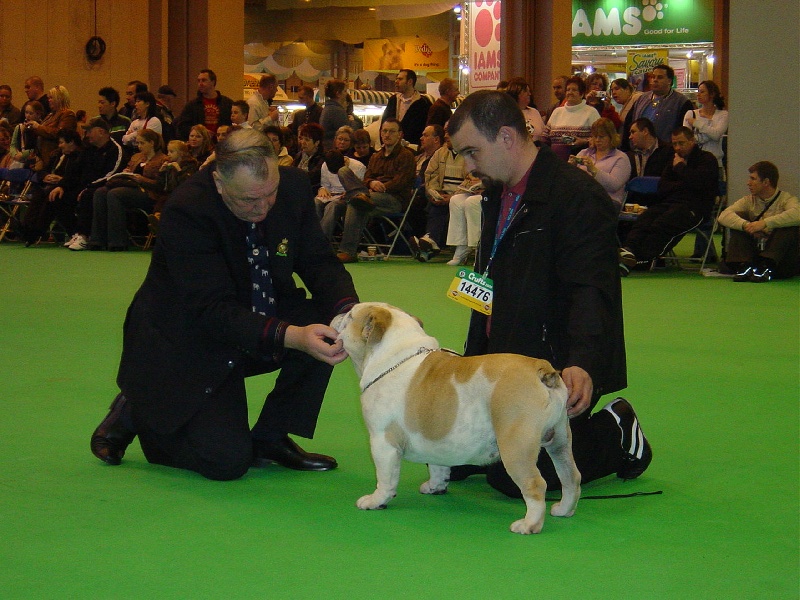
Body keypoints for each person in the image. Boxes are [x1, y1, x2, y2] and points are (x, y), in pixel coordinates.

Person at [89, 128, 359, 481]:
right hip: (187, 336)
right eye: (249, 200)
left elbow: (318, 261)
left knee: (330, 323)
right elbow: (212, 310)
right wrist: (292, 336)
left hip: (256, 311)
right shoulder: (186, 210)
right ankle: (138, 408)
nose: (263, 207)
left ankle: (271, 437)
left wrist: (352, 314)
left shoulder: (293, 186)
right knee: (226, 463)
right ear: (219, 182)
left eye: (271, 193)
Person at [446, 89, 650, 496]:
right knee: (447, 456)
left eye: (472, 152)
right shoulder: (494, 192)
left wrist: (582, 362)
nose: (468, 166)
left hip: (553, 360)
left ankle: (617, 430)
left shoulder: (578, 196)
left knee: (513, 476)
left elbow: (592, 288)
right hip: (502, 357)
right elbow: (487, 279)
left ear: (506, 137)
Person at [619, 126, 719, 274]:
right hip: (670, 203)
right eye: (674, 144)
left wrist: (680, 168)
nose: (677, 148)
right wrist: (685, 183)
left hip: (695, 208)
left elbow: (700, 184)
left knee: (663, 223)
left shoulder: (707, 159)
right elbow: (663, 187)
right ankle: (628, 251)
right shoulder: (672, 159)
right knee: (645, 218)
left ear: (692, 141)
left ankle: (642, 259)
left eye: (681, 143)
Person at [334, 118, 416, 263]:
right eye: (385, 131)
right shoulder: (375, 156)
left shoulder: (407, 155)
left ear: (400, 134)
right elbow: (366, 178)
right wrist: (371, 182)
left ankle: (347, 251)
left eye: (392, 131)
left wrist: (381, 187)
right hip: (371, 197)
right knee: (343, 172)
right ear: (380, 133)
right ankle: (360, 195)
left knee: (355, 201)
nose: (387, 134)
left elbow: (401, 182)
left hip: (394, 199)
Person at [89, 128, 169, 251]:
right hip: (130, 188)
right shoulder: (136, 157)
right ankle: (97, 239)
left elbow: (161, 185)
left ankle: (117, 241)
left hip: (150, 194)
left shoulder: (163, 160)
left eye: (142, 143)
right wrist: (126, 173)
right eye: (138, 143)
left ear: (152, 143)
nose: (139, 146)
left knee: (115, 194)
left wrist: (141, 179)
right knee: (100, 192)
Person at [718, 161, 799, 282]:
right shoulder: (748, 200)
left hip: (780, 261)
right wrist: (747, 225)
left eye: (753, 179)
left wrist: (765, 224)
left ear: (766, 182)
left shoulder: (787, 199)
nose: (748, 183)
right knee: (738, 217)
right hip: (755, 255)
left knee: (789, 223)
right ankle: (744, 265)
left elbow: (797, 214)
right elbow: (723, 216)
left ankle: (766, 266)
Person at [63, 118, 125, 251]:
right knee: (60, 196)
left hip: (103, 186)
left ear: (101, 132)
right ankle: (74, 233)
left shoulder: (115, 149)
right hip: (86, 186)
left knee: (88, 195)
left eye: (90, 131)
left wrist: (88, 188)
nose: (87, 135)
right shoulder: (87, 148)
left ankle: (84, 236)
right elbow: (76, 170)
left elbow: (111, 174)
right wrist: (61, 185)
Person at [20, 128, 84, 245]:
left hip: (71, 189)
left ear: (71, 142)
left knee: (52, 197)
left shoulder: (80, 157)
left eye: (61, 142)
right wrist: (45, 176)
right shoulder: (57, 155)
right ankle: (27, 228)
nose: (59, 145)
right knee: (38, 195)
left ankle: (36, 231)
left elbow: (78, 178)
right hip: (53, 187)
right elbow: (43, 170)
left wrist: (61, 181)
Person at [412, 126, 464, 260]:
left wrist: (453, 196)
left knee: (450, 205)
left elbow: (472, 180)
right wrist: (434, 192)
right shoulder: (440, 153)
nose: (445, 136)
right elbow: (430, 175)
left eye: (449, 132)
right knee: (435, 205)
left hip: (463, 196)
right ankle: (429, 244)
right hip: (442, 194)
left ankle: (430, 241)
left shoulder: (470, 153)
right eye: (445, 132)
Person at [622, 64, 693, 150]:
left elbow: (685, 133)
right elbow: (628, 123)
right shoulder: (641, 99)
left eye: (660, 77)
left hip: (665, 151)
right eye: (653, 77)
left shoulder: (681, 102)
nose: (655, 80)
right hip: (637, 150)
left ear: (669, 81)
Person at [570, 117, 631, 210]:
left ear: (611, 137)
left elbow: (614, 186)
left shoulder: (621, 158)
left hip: (608, 202)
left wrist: (594, 170)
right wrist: (571, 168)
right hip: (582, 199)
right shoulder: (584, 153)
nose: (597, 140)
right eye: (595, 136)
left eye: (601, 136)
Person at [316, 149, 367, 241]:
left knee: (332, 206)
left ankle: (321, 240)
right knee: (316, 202)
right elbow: (325, 185)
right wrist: (322, 189)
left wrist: (348, 193)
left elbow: (360, 189)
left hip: (348, 197)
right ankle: (312, 235)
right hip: (332, 194)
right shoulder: (325, 165)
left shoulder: (359, 167)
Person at [544, 76, 599, 153]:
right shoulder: (557, 111)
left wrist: (585, 142)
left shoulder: (591, 112)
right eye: (568, 90)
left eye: (574, 90)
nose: (570, 92)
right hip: (555, 158)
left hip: (581, 157)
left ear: (582, 94)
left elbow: (600, 138)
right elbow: (545, 137)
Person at [175, 69, 233, 139]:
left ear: (213, 82)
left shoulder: (227, 104)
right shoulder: (192, 105)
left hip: (222, 141)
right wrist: (200, 131)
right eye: (198, 81)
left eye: (204, 80)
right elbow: (182, 127)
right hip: (201, 142)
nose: (200, 84)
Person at [381, 69, 432, 150]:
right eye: (396, 79)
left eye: (400, 79)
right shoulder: (393, 100)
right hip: (391, 148)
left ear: (410, 82)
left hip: (412, 149)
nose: (396, 81)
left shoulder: (423, 103)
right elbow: (384, 122)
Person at [683, 80, 728, 170]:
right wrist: (710, 132)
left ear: (712, 94)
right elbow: (686, 139)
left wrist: (696, 123)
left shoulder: (723, 115)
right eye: (698, 91)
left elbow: (717, 135)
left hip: (716, 163)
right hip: (694, 162)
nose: (698, 94)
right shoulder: (691, 114)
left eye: (702, 92)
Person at [30, 85, 77, 165]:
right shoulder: (50, 115)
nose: (49, 100)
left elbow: (60, 133)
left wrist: (38, 127)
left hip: (54, 157)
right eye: (48, 98)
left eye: (51, 98)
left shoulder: (68, 114)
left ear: (59, 98)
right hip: (42, 157)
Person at [505, 77, 546, 142]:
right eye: (526, 91)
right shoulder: (507, 114)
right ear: (516, 94)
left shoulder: (534, 112)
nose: (529, 94)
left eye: (529, 91)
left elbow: (543, 133)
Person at [9, 101, 43, 169]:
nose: (27, 115)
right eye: (26, 112)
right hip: (19, 160)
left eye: (31, 113)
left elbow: (37, 148)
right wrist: (15, 154)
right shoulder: (19, 127)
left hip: (33, 162)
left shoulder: (41, 129)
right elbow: (13, 145)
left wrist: (23, 154)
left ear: (38, 115)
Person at [293, 122, 325, 193]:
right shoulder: (298, 155)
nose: (303, 142)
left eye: (307, 140)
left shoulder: (322, 158)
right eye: (301, 139)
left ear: (317, 143)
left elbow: (313, 177)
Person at [319, 79, 349, 151]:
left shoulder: (327, 108)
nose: (346, 94)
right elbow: (346, 131)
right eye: (344, 91)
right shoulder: (337, 110)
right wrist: (353, 122)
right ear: (338, 93)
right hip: (334, 148)